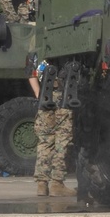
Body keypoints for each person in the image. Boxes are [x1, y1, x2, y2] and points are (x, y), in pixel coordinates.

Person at [34, 64, 74, 197]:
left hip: (45, 95)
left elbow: (30, 70)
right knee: (62, 140)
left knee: (45, 141)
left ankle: (42, 184)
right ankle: (57, 183)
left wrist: (39, 95)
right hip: (64, 95)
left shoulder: (38, 45)